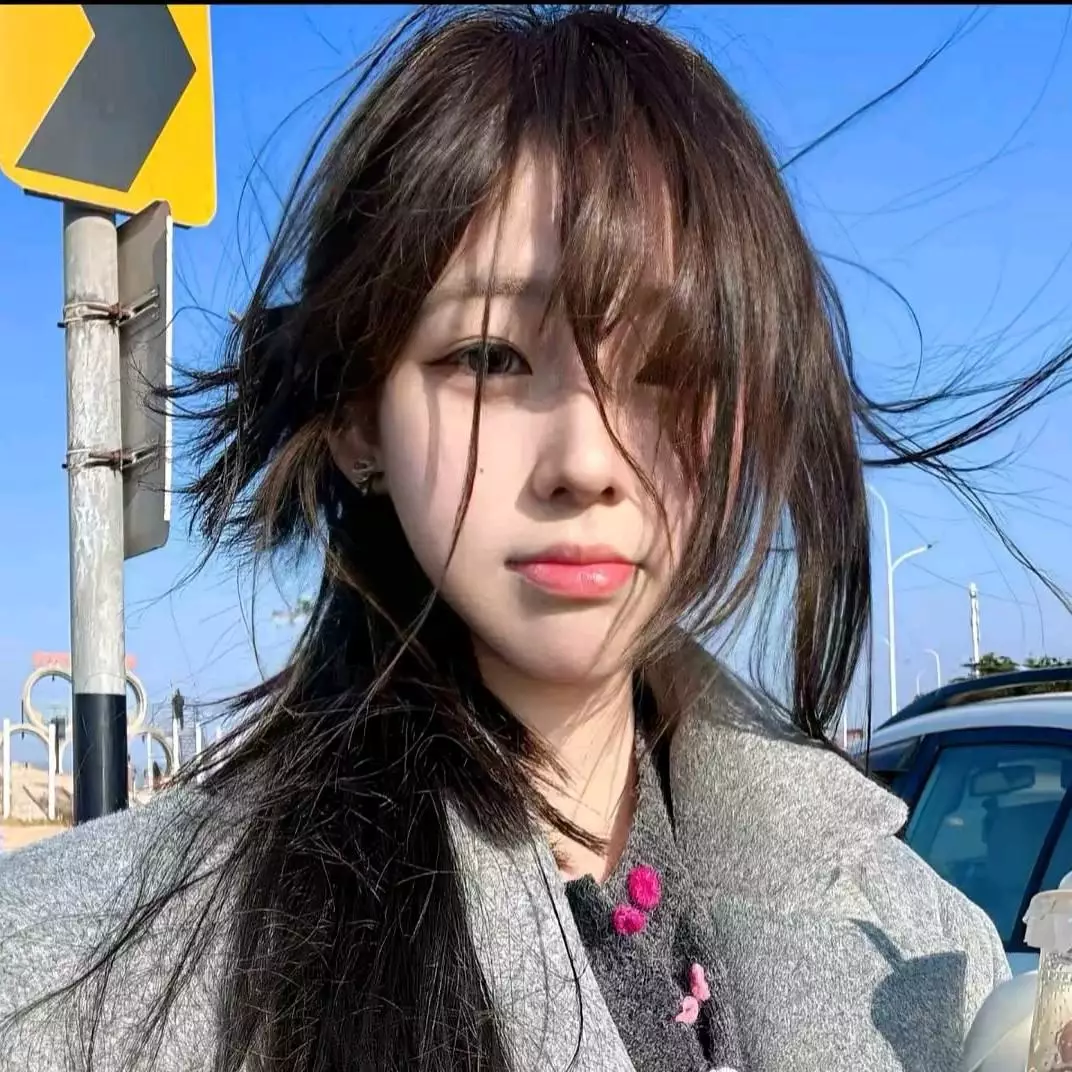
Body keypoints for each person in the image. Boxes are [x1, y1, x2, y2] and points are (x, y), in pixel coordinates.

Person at [0, 6, 1059, 1071]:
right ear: (362, 416)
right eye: (490, 357)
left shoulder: (933, 956)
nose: (587, 460)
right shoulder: (71, 990)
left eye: (668, 367)